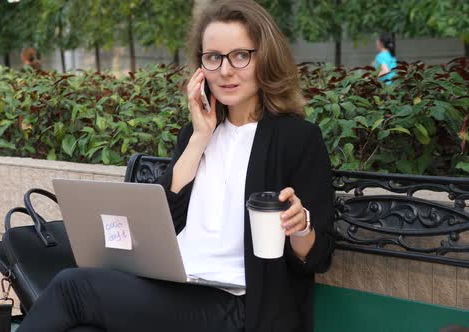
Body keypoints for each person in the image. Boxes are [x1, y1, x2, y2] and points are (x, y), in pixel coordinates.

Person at [17, 1, 334, 331]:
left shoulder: (297, 138)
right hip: (175, 288)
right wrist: (199, 137)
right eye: (213, 57)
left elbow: (319, 256)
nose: (226, 71)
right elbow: (164, 223)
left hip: (240, 305)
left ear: (264, 58)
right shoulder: (195, 135)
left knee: (73, 288)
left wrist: (300, 226)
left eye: (240, 55)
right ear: (201, 68)